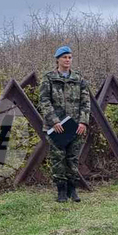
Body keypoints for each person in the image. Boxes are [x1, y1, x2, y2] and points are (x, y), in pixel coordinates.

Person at [38, 46, 90, 203]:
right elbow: (44, 101)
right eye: (64, 57)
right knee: (58, 158)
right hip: (56, 126)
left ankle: (72, 190)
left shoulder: (79, 79)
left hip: (75, 126)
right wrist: (54, 121)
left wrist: (83, 122)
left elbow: (85, 102)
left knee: (73, 158)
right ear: (57, 59)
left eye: (70, 57)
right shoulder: (49, 78)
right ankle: (61, 191)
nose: (67, 60)